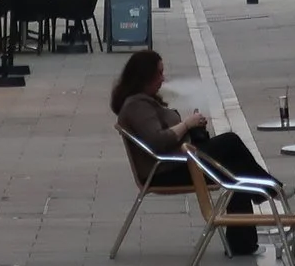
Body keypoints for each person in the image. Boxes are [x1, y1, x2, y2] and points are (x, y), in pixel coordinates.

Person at [111, 49, 275, 255]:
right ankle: (270, 189)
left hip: (176, 163)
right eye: (159, 73)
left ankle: (243, 242)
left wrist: (192, 126)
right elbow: (158, 141)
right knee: (230, 142)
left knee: (236, 166)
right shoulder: (137, 106)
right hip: (166, 171)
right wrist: (187, 124)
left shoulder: (142, 102)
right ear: (145, 76)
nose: (163, 78)